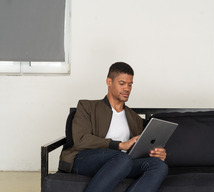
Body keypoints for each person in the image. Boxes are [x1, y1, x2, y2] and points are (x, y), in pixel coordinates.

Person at [59, 62, 168, 192]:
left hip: (123, 162)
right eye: (122, 83)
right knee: (122, 158)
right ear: (109, 82)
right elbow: (81, 140)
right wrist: (120, 145)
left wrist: (156, 153)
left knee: (158, 166)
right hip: (85, 159)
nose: (127, 88)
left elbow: (138, 150)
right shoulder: (87, 107)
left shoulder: (135, 118)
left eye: (130, 84)